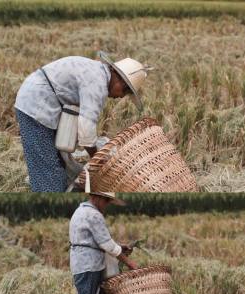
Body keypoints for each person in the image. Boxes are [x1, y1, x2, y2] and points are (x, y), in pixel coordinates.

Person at [14, 51, 153, 192]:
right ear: (120, 81)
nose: (121, 97)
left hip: (39, 101)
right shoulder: (97, 84)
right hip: (35, 105)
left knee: (57, 163)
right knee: (47, 171)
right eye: (124, 92)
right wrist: (98, 159)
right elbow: (86, 130)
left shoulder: (97, 73)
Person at [68, 192, 138, 294]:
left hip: (81, 264)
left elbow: (96, 241)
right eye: (106, 201)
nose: (106, 205)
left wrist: (120, 247)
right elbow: (107, 245)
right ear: (96, 197)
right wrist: (129, 263)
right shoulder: (93, 214)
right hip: (90, 265)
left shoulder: (80, 211)